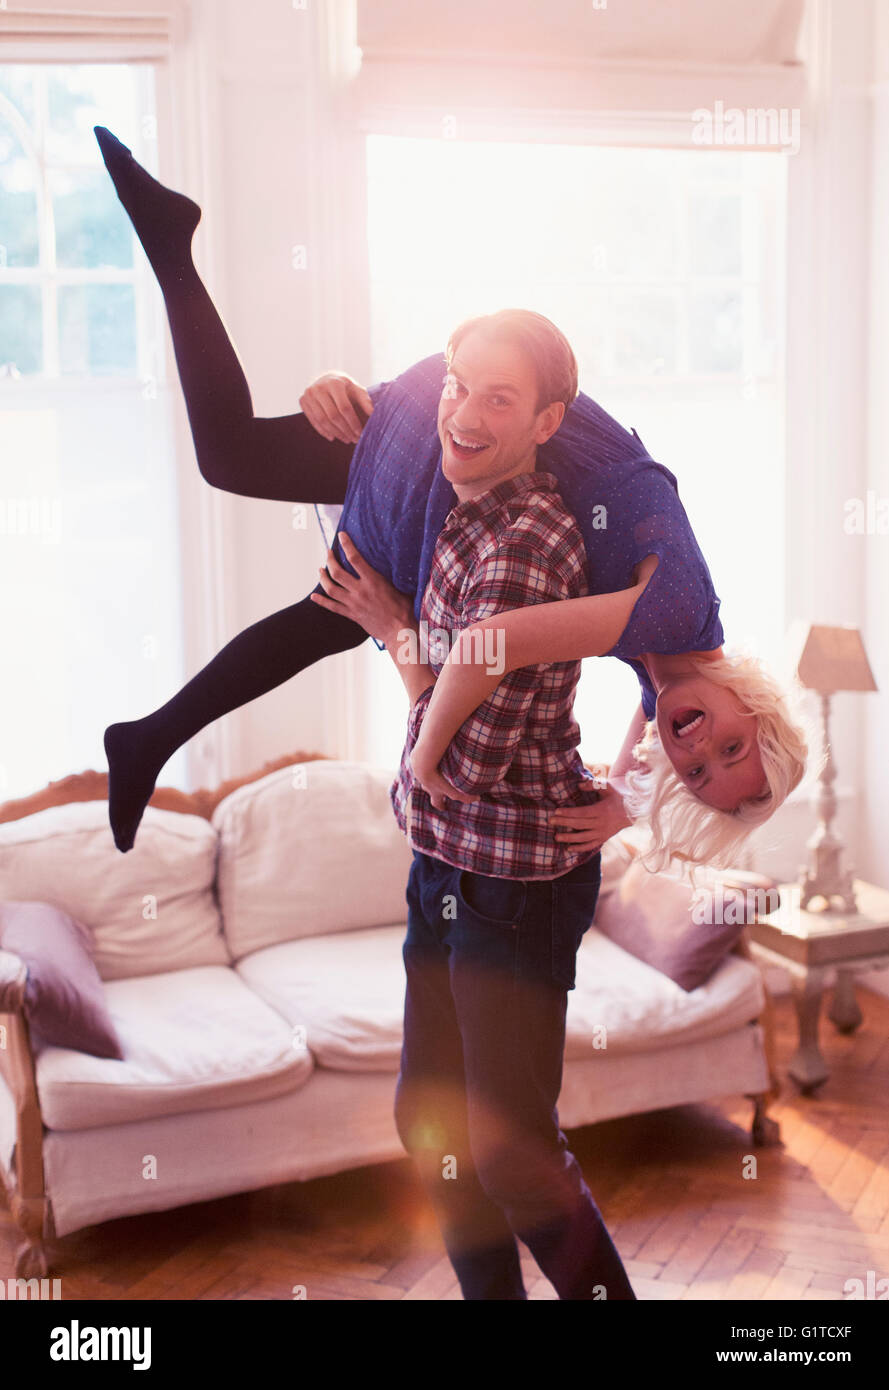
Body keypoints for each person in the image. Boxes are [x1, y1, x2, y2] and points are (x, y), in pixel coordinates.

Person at [93, 126, 806, 863]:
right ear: (757, 709)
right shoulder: (676, 611)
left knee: (234, 458)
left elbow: (647, 722)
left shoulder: (675, 667)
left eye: (696, 771)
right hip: (485, 430)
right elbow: (491, 644)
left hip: (469, 424)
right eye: (730, 745)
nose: (697, 747)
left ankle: (169, 244)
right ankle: (150, 739)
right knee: (362, 603)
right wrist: (426, 754)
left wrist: (623, 807)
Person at [312, 309, 639, 1298]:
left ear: (548, 421)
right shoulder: (456, 511)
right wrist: (337, 397)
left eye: (499, 397)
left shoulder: (524, 551)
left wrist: (395, 636)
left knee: (512, 1151)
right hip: (446, 865)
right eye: (456, 384)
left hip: (511, 882)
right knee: (432, 1122)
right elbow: (439, 741)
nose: (461, 411)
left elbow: (461, 762)